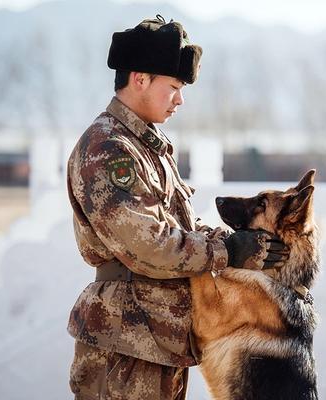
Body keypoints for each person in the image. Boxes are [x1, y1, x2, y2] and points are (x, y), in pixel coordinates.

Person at [66, 15, 289, 400]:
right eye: (173, 87)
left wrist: (240, 244)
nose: (180, 99)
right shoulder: (109, 150)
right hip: (124, 346)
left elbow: (177, 225)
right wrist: (227, 251)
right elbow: (150, 244)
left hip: (156, 338)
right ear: (140, 78)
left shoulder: (146, 146)